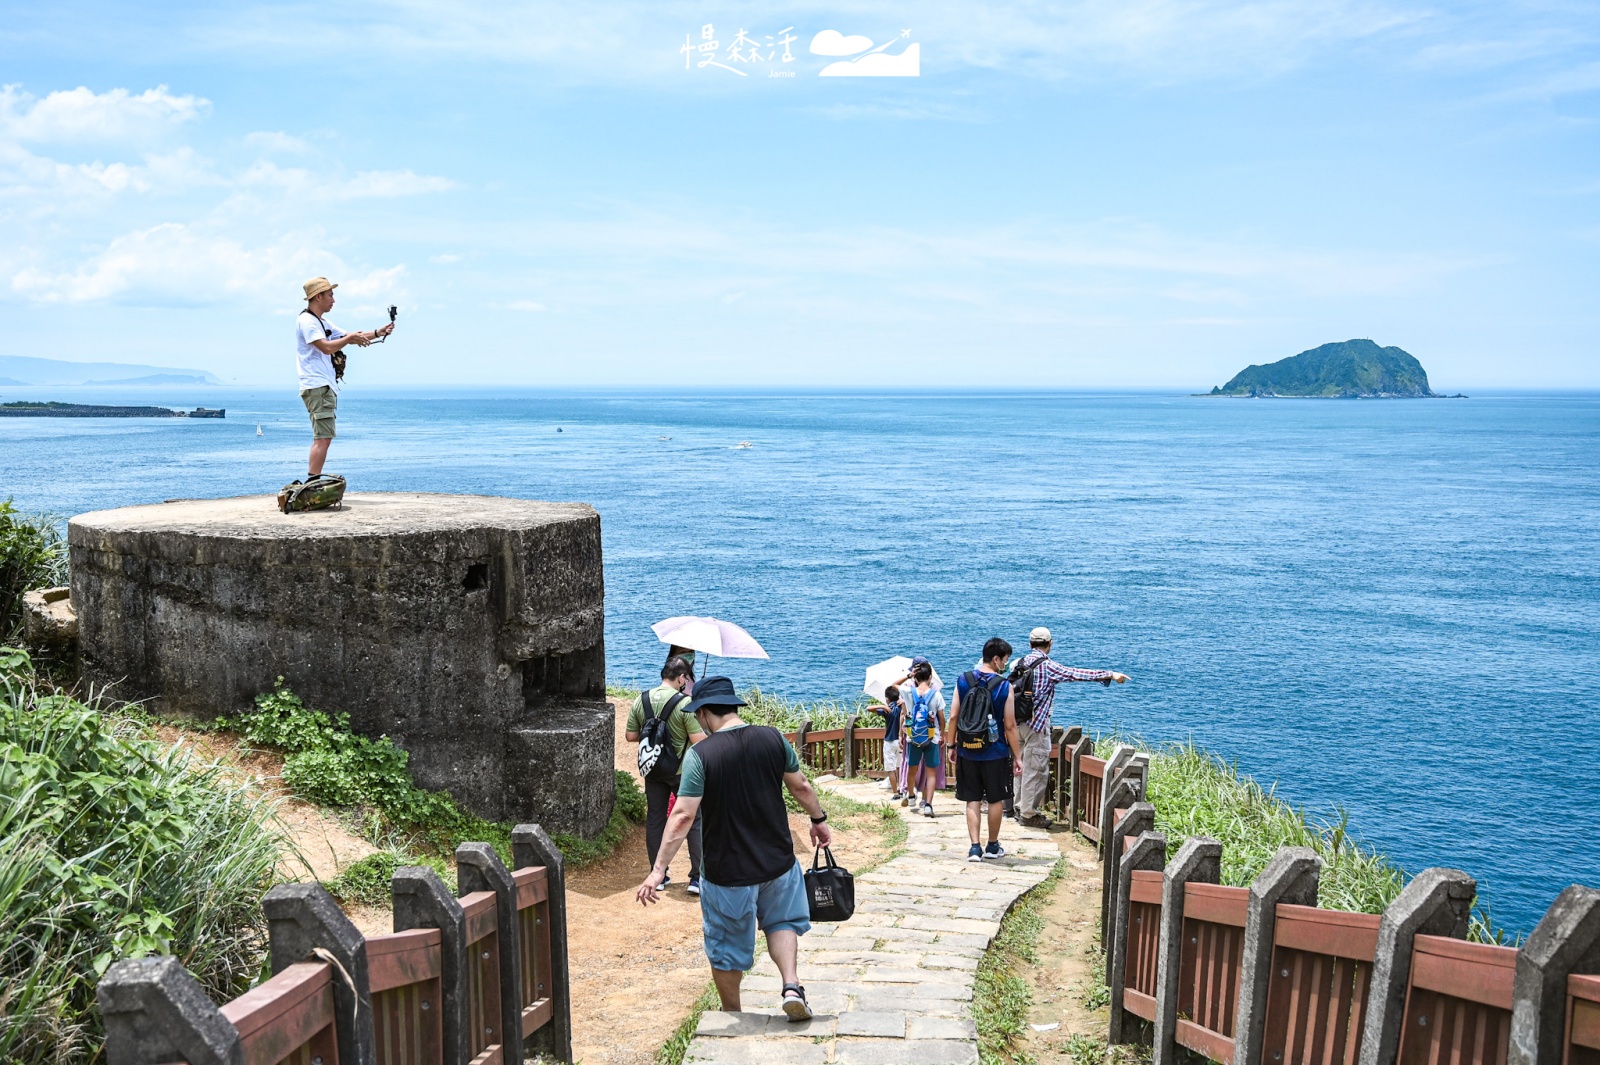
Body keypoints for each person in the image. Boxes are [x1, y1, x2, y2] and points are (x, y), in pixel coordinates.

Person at [635, 676, 831, 1022]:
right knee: (782, 922)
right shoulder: (772, 738)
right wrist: (818, 819)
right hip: (778, 861)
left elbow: (682, 816)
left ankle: (733, 1015)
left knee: (726, 946)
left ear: (707, 713)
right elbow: (800, 786)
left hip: (727, 870)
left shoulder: (701, 755)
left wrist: (658, 869)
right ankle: (791, 986)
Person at [1011, 626, 1129, 828]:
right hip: (1036, 725)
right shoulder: (1047, 666)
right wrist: (1109, 674)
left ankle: (1019, 807)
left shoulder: (1018, 663)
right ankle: (1029, 814)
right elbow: (1076, 673)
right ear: (1050, 644)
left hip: (1016, 722)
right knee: (1036, 770)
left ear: (1030, 644)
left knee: (1021, 767)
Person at [295, 277, 393, 483]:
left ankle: (313, 482)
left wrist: (377, 332)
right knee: (322, 437)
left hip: (322, 386)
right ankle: (312, 484)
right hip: (317, 385)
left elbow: (350, 335)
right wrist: (350, 339)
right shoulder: (307, 321)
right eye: (330, 295)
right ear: (318, 296)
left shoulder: (321, 321)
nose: (333, 300)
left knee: (324, 437)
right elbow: (327, 347)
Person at [625, 655, 705, 894]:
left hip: (653, 770)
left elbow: (630, 736)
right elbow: (698, 740)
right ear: (681, 678)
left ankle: (658, 875)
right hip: (682, 772)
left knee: (655, 819)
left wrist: (654, 737)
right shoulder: (684, 704)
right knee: (693, 821)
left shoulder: (642, 700)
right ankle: (697, 878)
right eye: (686, 678)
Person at [948, 637, 1022, 862]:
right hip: (995, 752)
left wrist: (952, 745)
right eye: (1005, 660)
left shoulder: (963, 680)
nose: (1006, 665)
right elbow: (1009, 725)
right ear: (996, 659)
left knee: (972, 799)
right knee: (996, 800)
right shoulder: (1003, 685)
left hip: (967, 750)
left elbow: (953, 716)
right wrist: (1017, 756)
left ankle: (973, 849)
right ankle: (992, 846)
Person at [901, 657, 946, 817]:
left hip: (913, 737)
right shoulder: (936, 695)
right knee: (931, 772)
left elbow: (893, 686)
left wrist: (908, 676)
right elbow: (942, 718)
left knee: (911, 769)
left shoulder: (907, 692)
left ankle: (911, 796)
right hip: (932, 737)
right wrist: (943, 735)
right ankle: (928, 804)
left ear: (915, 677)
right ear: (930, 678)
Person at [869, 685, 905, 798]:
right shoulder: (902, 708)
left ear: (887, 698)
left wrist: (882, 706)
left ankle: (895, 793)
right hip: (900, 741)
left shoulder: (887, 709)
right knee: (899, 766)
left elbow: (869, 708)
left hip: (889, 741)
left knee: (891, 769)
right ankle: (900, 788)